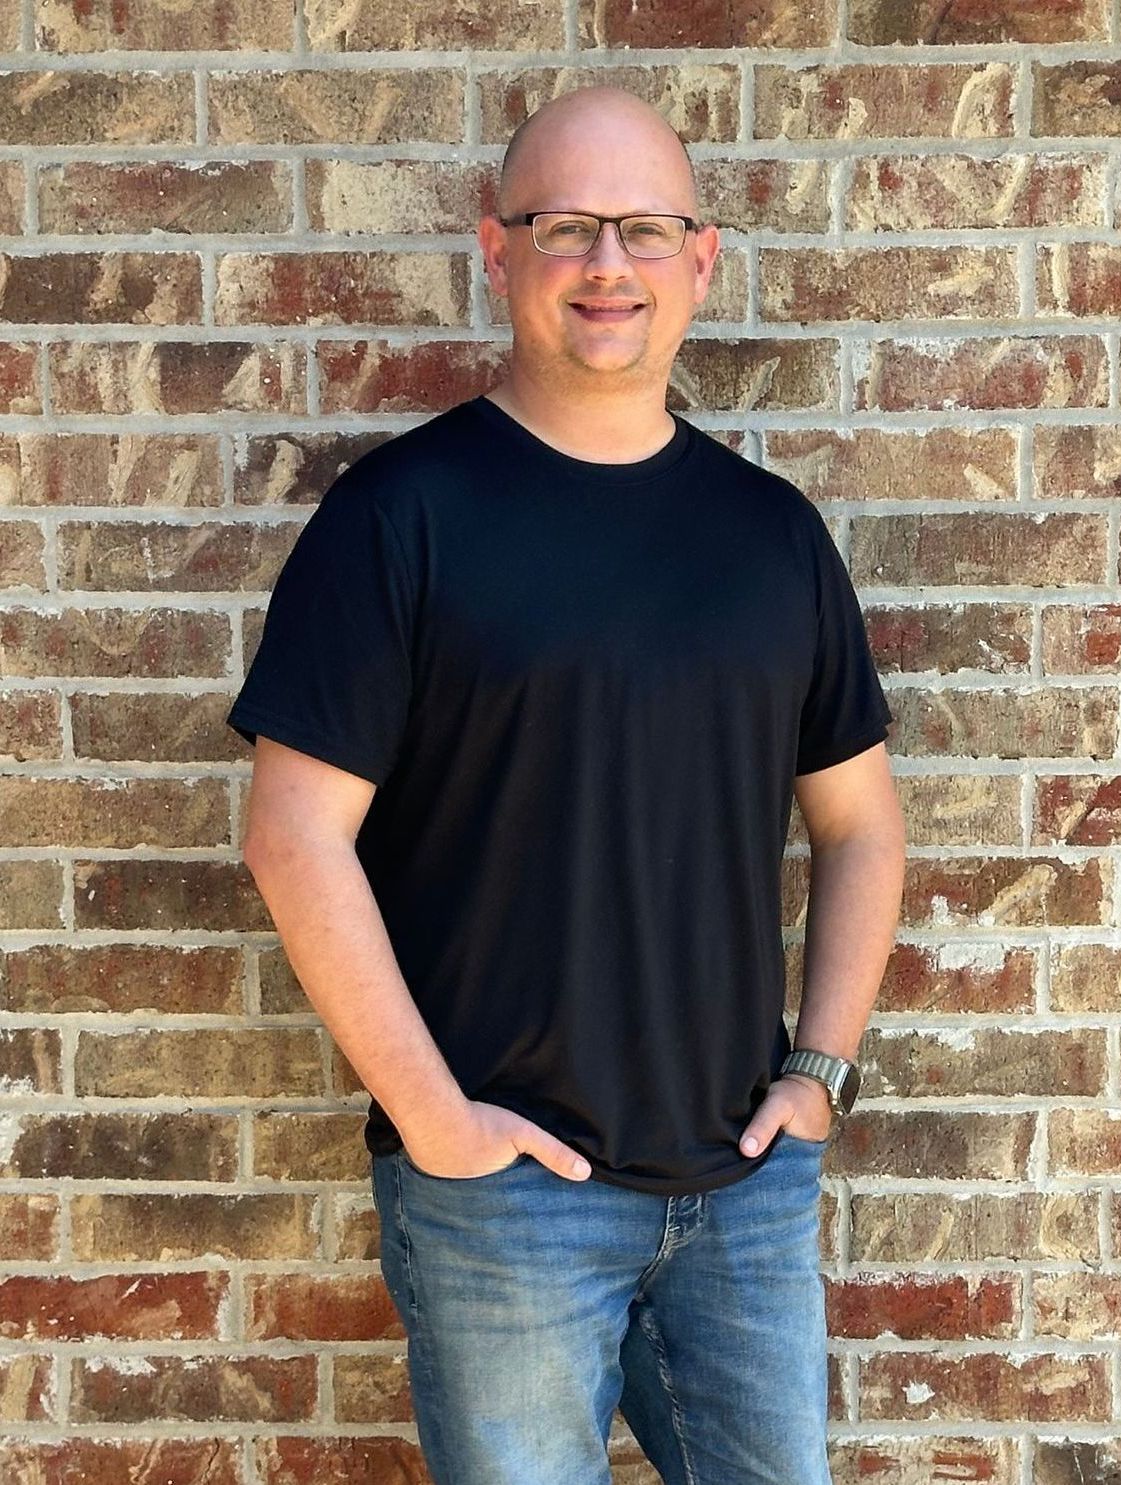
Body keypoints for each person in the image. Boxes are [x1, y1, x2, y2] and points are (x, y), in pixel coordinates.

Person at [227, 84, 906, 1485]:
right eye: (566, 227)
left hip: (744, 1188)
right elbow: (294, 832)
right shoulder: (398, 517)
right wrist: (435, 1121)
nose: (610, 265)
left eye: (647, 229)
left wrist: (819, 1074)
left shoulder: (772, 536)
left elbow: (859, 824)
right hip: (504, 1199)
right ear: (496, 249)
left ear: (700, 258)